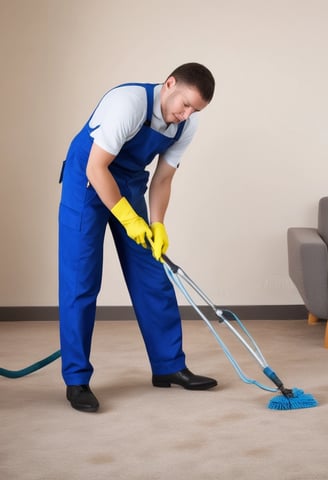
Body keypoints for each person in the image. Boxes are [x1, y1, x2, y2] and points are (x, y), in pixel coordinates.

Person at [59, 62, 217, 412]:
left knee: (152, 276)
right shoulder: (129, 103)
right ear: (170, 83)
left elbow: (162, 179)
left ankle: (169, 367)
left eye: (195, 110)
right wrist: (129, 219)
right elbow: (97, 167)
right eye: (185, 104)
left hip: (129, 183)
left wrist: (157, 225)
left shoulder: (185, 126)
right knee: (80, 280)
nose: (186, 114)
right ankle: (77, 380)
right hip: (86, 180)